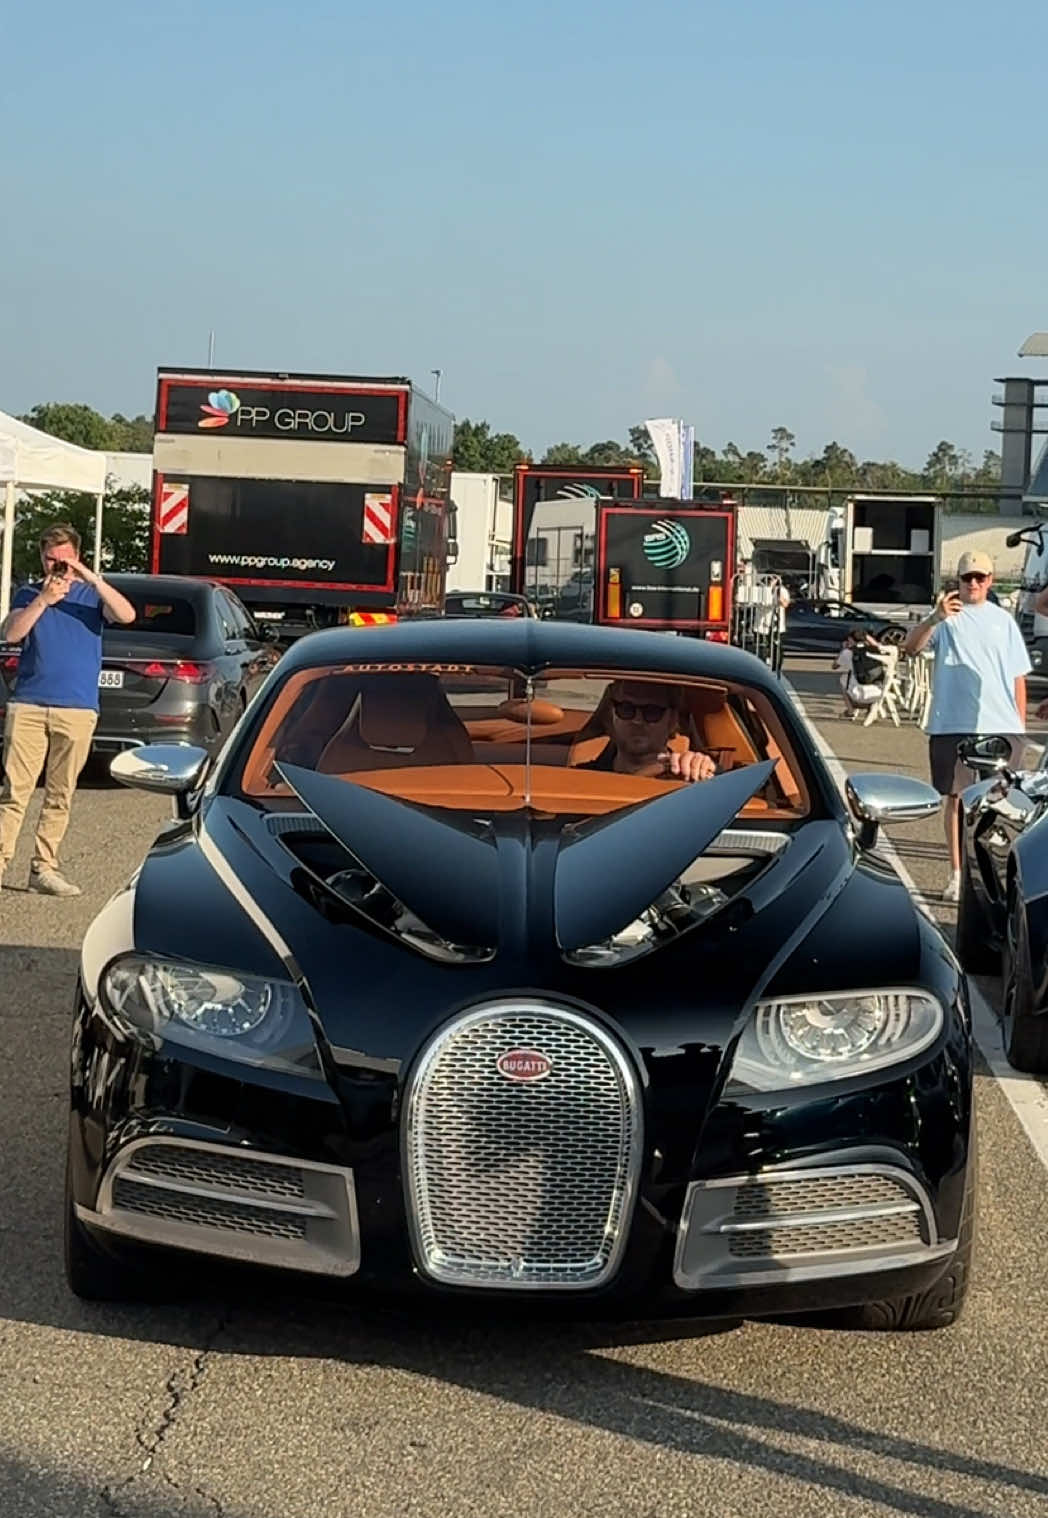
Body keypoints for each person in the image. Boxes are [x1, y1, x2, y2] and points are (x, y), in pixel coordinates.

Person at [0, 523, 136, 896]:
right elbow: (11, 634)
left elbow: (126, 615)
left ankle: (43, 868)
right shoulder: (28, 594)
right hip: (29, 704)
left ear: (76, 557)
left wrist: (90, 577)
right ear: (42, 559)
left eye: (63, 559)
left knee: (60, 794)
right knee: (15, 792)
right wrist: (44, 600)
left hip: (76, 709)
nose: (57, 567)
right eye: (50, 559)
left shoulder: (92, 598)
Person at [902, 550, 1030, 902]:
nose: (973, 583)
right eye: (967, 578)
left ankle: (1000, 876)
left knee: (1001, 804)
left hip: (999, 725)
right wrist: (934, 617)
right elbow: (910, 648)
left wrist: (1018, 725)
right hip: (951, 723)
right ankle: (957, 875)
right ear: (956, 581)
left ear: (990, 581)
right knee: (957, 801)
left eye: (980, 577)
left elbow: (1018, 676)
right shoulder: (945, 618)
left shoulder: (1004, 622)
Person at [577, 681, 717, 782]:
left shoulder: (689, 775)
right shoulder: (581, 779)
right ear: (611, 714)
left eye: (652, 712)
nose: (637, 720)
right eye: (626, 709)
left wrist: (704, 771)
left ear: (672, 719)